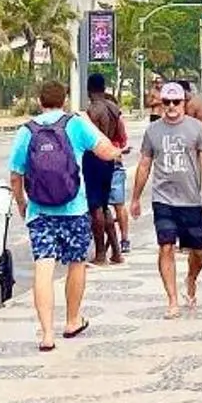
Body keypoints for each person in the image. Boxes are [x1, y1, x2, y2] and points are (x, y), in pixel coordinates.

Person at [8, 78, 122, 351]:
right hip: (75, 209)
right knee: (76, 263)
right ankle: (72, 321)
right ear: (65, 100)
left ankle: (47, 334)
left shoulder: (27, 131)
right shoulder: (75, 124)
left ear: (39, 101)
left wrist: (23, 204)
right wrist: (89, 123)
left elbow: (15, 175)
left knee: (43, 267)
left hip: (40, 211)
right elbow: (109, 153)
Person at [131, 81, 202, 317]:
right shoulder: (153, 131)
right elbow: (144, 164)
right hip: (163, 199)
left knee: (198, 251)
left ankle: (191, 278)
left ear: (183, 103)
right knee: (166, 246)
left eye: (175, 102)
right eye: (166, 102)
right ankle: (172, 300)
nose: (171, 106)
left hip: (190, 199)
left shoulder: (196, 128)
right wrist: (135, 198)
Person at [83, 72, 129, 265]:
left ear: (89, 89)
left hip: (94, 160)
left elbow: (88, 140)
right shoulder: (113, 108)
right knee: (104, 205)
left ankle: (101, 253)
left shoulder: (92, 111)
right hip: (110, 159)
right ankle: (116, 252)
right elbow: (119, 134)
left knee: (95, 208)